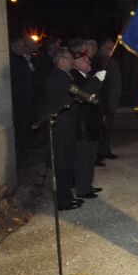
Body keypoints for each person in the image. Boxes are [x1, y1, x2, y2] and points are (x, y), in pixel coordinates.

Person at [45, 48, 83, 211]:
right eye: (69, 58)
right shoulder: (58, 77)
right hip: (61, 126)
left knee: (67, 161)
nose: (72, 61)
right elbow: (70, 97)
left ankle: (67, 196)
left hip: (67, 125)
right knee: (62, 162)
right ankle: (62, 200)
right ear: (61, 60)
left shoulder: (65, 75)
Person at [71, 51, 107, 199]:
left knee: (90, 157)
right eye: (85, 61)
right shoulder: (74, 76)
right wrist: (96, 80)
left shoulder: (85, 76)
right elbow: (82, 94)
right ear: (76, 63)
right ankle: (82, 188)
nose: (89, 63)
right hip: (82, 125)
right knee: (83, 158)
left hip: (91, 124)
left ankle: (87, 184)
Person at [97, 39, 122, 160]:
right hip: (105, 100)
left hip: (112, 99)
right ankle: (100, 152)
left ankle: (105, 149)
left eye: (113, 48)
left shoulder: (112, 62)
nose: (111, 50)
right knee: (102, 127)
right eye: (109, 48)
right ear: (102, 48)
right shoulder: (101, 61)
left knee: (108, 128)